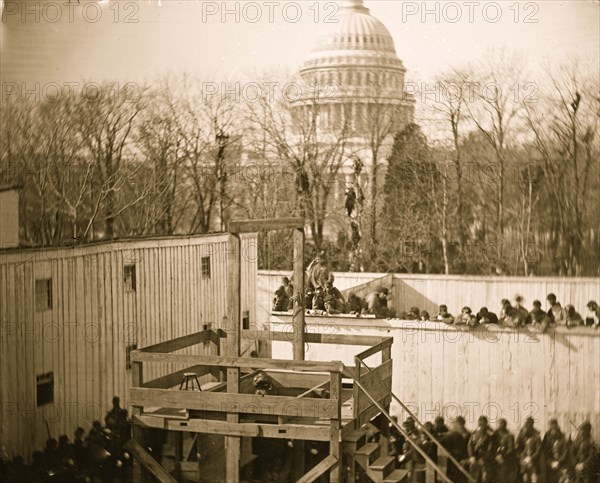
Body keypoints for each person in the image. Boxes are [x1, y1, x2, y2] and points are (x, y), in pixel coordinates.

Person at [440, 416, 470, 483]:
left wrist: (467, 459)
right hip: (454, 460)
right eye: (457, 424)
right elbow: (445, 445)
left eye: (460, 423)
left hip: (464, 460)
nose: (458, 425)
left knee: (463, 478)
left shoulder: (469, 434)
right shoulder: (451, 434)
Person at [467, 416, 496, 483]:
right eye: (479, 424)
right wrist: (471, 456)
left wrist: (483, 458)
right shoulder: (475, 432)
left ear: (486, 424)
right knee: (473, 478)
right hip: (475, 458)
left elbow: (490, 448)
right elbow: (470, 445)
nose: (480, 425)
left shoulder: (490, 434)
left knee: (485, 479)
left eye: (482, 424)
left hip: (486, 459)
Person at [541, 419, 569, 483]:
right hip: (549, 461)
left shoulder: (562, 436)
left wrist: (558, 461)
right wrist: (550, 462)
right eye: (551, 427)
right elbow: (544, 450)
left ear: (557, 426)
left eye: (554, 427)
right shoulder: (547, 435)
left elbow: (565, 451)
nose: (553, 429)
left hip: (560, 461)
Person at [516, 417, 542, 483]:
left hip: (533, 460)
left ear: (532, 425)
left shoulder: (536, 435)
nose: (529, 426)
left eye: (530, 424)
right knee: (525, 478)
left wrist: (531, 458)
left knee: (534, 478)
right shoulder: (521, 434)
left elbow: (539, 449)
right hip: (524, 460)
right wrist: (522, 457)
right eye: (527, 424)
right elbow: (517, 447)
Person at [494, 419, 519, 483]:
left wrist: (502, 456)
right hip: (494, 457)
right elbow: (491, 446)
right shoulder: (494, 434)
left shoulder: (509, 435)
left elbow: (510, 449)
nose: (501, 425)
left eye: (503, 424)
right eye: (500, 424)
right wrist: (496, 455)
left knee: (503, 476)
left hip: (506, 458)